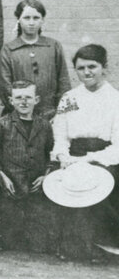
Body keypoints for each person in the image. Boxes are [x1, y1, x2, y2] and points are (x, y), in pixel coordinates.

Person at [50, 44, 119, 260]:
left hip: (104, 157)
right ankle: (73, 245)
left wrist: (89, 159)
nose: (87, 72)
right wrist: (63, 156)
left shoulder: (114, 99)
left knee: (97, 185)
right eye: (81, 68)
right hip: (72, 155)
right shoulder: (70, 98)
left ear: (104, 67)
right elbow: (60, 134)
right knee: (61, 184)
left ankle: (102, 245)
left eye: (92, 67)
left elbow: (117, 145)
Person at [0, 80, 55, 253]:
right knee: (11, 243)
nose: (23, 102)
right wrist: (3, 177)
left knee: (39, 246)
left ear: (36, 100)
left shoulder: (45, 125)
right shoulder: (1, 125)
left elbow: (50, 153)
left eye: (28, 97)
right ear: (11, 101)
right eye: (18, 98)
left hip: (36, 188)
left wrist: (46, 175)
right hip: (12, 187)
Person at [0, 0, 70, 117]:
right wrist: (23, 112)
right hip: (19, 116)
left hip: (50, 115)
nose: (31, 23)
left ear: (42, 20)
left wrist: (58, 114)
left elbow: (64, 82)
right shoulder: (9, 50)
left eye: (36, 18)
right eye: (26, 18)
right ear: (18, 20)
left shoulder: (53, 46)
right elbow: (5, 88)